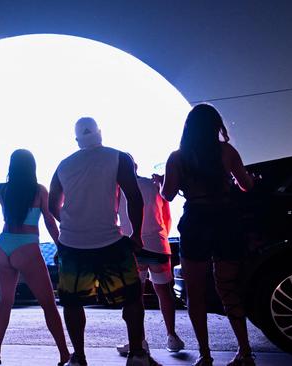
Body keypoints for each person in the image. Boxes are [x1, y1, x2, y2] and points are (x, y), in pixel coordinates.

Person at [49, 117, 159, 366]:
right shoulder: (119, 157)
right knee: (132, 298)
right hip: (110, 240)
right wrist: (137, 235)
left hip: (72, 243)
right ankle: (137, 355)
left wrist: (72, 221)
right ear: (100, 133)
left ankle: (78, 357)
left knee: (73, 303)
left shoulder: (63, 165)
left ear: (77, 140)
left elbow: (52, 204)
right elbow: (134, 197)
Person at [161, 104, 255, 366]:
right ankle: (245, 352)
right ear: (216, 126)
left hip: (196, 221)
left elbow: (167, 195)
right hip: (226, 220)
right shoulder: (227, 151)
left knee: (196, 292)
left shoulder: (178, 157)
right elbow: (246, 186)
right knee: (227, 287)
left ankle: (205, 355)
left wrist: (163, 185)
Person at [0, 149, 70, 366]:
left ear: (11, 167)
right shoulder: (39, 191)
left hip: (4, 246)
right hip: (27, 246)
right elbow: (49, 221)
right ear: (32, 167)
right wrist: (61, 246)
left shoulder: (3, 190)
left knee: (5, 301)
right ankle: (64, 354)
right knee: (48, 304)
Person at [115, 158, 184, 356]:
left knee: (135, 297)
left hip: (132, 248)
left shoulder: (117, 191)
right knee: (164, 292)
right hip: (158, 246)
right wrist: (160, 237)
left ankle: (139, 341)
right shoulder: (153, 185)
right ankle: (172, 336)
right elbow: (167, 216)